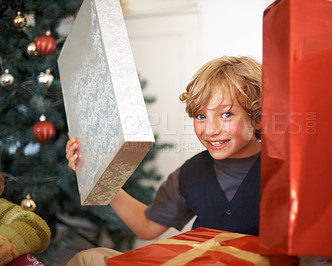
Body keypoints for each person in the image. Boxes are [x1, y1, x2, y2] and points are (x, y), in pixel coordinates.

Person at [65, 56, 262, 265]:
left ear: (258, 118)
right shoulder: (191, 173)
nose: (211, 130)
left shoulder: (287, 171)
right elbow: (147, 226)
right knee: (89, 259)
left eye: (227, 114)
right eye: (201, 116)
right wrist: (98, 171)